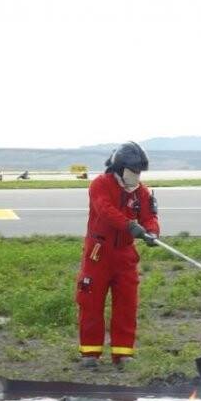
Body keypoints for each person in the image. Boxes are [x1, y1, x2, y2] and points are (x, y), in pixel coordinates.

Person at [76, 142, 161, 369]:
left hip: (125, 255)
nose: (137, 176)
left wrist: (152, 231)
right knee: (91, 302)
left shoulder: (141, 192)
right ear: (120, 168)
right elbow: (105, 211)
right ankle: (90, 354)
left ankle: (123, 353)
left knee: (127, 304)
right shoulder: (99, 185)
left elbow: (149, 216)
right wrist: (129, 225)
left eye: (139, 172)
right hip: (98, 254)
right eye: (133, 171)